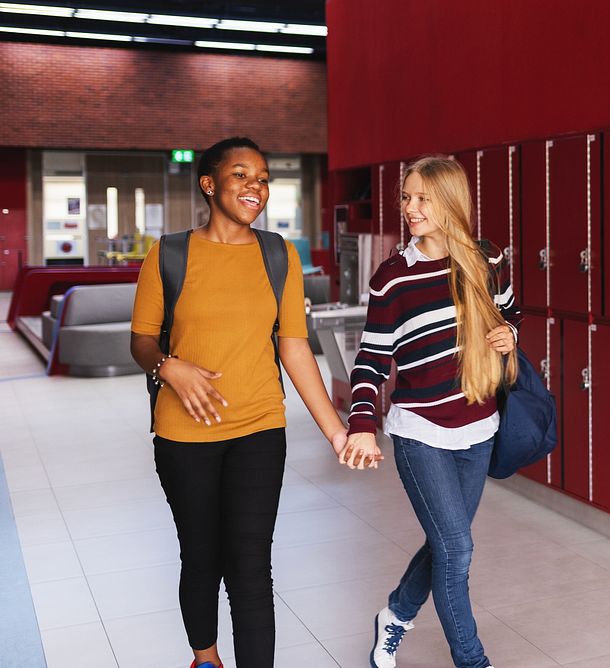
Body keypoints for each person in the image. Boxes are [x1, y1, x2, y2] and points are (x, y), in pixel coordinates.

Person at [130, 137, 355, 668]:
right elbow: (141, 339)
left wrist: (336, 430)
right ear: (209, 184)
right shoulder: (170, 253)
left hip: (259, 426)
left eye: (262, 178)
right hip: (184, 436)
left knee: (251, 564)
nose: (255, 187)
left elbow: (294, 345)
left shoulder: (278, 254)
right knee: (202, 556)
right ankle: (205, 658)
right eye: (241, 175)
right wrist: (170, 367)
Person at [342, 156, 520, 668]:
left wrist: (510, 336)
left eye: (423, 198)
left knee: (448, 543)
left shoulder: (486, 260)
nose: (411, 208)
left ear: (451, 201)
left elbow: (511, 314)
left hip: (479, 429)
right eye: (406, 197)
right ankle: (473, 661)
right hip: (422, 433)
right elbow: (372, 360)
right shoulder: (393, 278)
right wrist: (362, 426)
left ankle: (395, 614)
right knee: (458, 550)